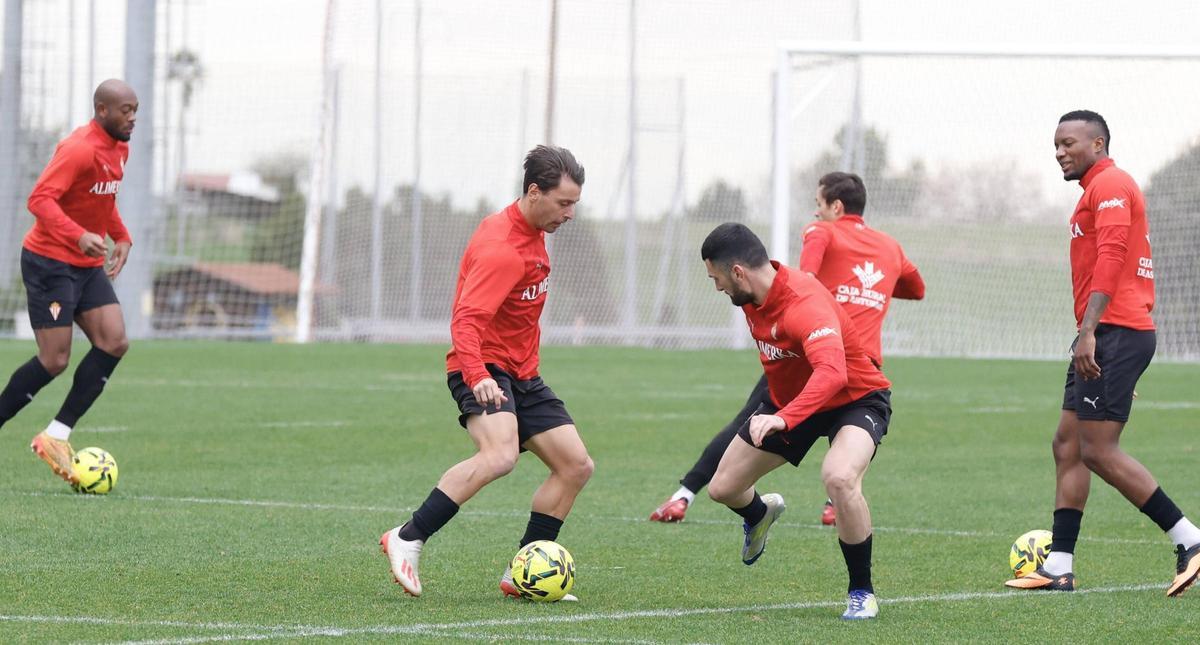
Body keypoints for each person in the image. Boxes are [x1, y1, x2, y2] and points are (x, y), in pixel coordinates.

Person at [380, 145, 594, 600]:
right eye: (564, 203)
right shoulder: (502, 249)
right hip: (480, 366)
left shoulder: (535, 231)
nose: (570, 213)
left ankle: (522, 575)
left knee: (575, 466)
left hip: (522, 374)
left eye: (574, 203)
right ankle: (407, 536)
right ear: (534, 192)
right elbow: (465, 321)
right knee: (500, 456)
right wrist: (478, 374)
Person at [650, 172, 923, 526]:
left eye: (818, 206)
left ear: (835, 207)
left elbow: (803, 278)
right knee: (843, 452)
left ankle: (685, 494)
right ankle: (833, 501)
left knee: (748, 423)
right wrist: (871, 289)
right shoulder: (889, 246)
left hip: (805, 352)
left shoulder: (821, 232)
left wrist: (820, 301)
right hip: (862, 358)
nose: (815, 215)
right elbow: (916, 289)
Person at [1005, 110, 1200, 595]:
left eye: (1069, 143)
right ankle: (1059, 566)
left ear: (1098, 143)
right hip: (1104, 334)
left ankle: (1190, 540)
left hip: (1114, 331)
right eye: (1055, 145)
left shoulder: (1111, 183)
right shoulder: (1094, 191)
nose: (1059, 152)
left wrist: (1089, 332)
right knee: (1067, 445)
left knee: (1097, 450)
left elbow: (1113, 254)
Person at [700, 222, 893, 620]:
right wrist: (782, 411)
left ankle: (862, 592)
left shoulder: (805, 303)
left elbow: (832, 374)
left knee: (839, 477)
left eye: (716, 278)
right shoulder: (751, 296)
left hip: (855, 398)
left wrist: (784, 419)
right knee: (722, 488)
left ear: (737, 272)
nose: (716, 287)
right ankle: (758, 515)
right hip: (791, 403)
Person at [0, 79, 136, 484]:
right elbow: (39, 199)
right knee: (55, 359)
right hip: (49, 263)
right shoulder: (78, 149)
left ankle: (56, 434)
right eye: (125, 110)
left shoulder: (120, 148)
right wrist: (78, 234)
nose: (132, 117)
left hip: (85, 264)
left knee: (114, 341)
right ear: (102, 110)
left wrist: (122, 236)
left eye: (135, 109)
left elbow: (102, 199)